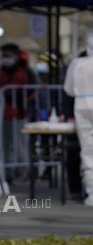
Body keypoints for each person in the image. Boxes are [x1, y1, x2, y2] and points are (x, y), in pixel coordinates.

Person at [0, 43, 35, 182]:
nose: (6, 59)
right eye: (4, 56)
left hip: (18, 114)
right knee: (4, 145)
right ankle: (7, 172)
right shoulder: (1, 72)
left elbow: (21, 92)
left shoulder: (22, 72)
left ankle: (24, 171)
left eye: (9, 56)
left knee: (20, 145)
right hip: (2, 114)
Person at [63, 32, 93, 207]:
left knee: (88, 150)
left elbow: (69, 89)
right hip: (83, 103)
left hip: (81, 105)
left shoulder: (77, 64)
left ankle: (91, 191)